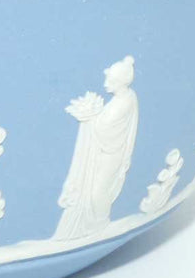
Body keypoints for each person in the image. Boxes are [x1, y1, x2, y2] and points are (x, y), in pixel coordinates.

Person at [53, 56, 140, 241]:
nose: (106, 84)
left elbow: (104, 127)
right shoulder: (125, 97)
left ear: (120, 82)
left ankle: (100, 224)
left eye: (110, 80)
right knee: (97, 190)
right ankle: (97, 225)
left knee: (98, 191)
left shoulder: (123, 103)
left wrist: (88, 117)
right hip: (108, 152)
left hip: (111, 154)